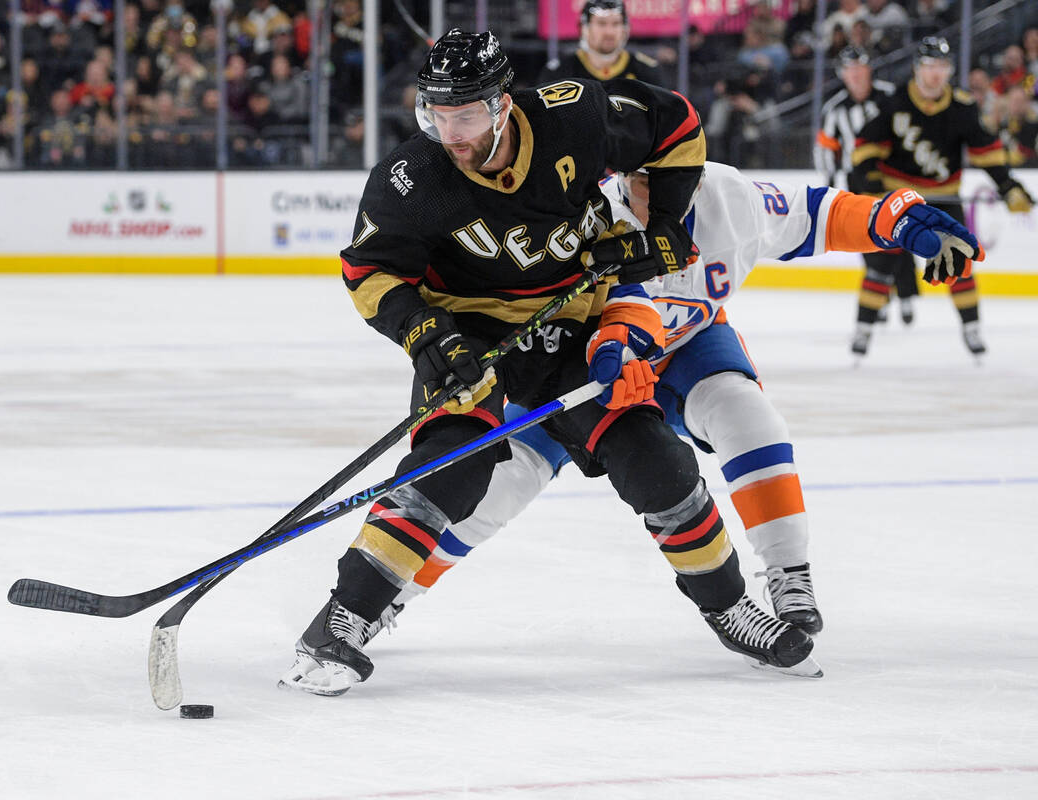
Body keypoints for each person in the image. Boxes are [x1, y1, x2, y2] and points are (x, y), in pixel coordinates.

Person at [280, 29, 816, 698]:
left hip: (573, 320)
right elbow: (368, 272)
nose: (451, 133)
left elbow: (675, 124)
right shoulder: (411, 177)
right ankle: (342, 618)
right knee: (452, 466)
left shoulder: (574, 117)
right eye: (437, 116)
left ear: (504, 105)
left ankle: (729, 607)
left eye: (466, 116)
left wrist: (668, 226)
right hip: (467, 334)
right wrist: (428, 338)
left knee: (657, 460)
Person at [361, 164, 983, 651]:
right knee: (503, 483)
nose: (646, 194)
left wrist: (905, 222)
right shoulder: (582, 211)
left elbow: (823, 213)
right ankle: (392, 592)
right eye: (634, 178)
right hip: (582, 363)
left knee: (747, 415)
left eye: (663, 176)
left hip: (685, 348)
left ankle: (789, 574)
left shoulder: (728, 197)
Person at [850, 36, 1034, 360]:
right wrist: (871, 181)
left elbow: (986, 151)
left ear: (949, 70)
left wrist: (1009, 186)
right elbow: (865, 145)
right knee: (880, 264)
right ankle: (863, 330)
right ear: (917, 69)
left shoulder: (962, 107)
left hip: (944, 199)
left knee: (957, 260)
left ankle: (972, 328)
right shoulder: (896, 103)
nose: (935, 74)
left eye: (941, 67)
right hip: (900, 199)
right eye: (929, 66)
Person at [817, 47, 918, 333]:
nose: (856, 74)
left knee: (903, 233)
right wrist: (827, 188)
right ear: (842, 74)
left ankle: (906, 294)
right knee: (869, 237)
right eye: (850, 69)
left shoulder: (890, 96)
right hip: (857, 183)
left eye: (860, 67)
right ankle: (882, 296)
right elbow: (827, 151)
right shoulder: (835, 109)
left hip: (893, 176)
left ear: (869, 69)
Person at [537, 0, 664, 85]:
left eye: (616, 24)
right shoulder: (559, 73)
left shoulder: (647, 72)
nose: (609, 32)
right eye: (601, 23)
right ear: (584, 28)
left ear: (625, 28)